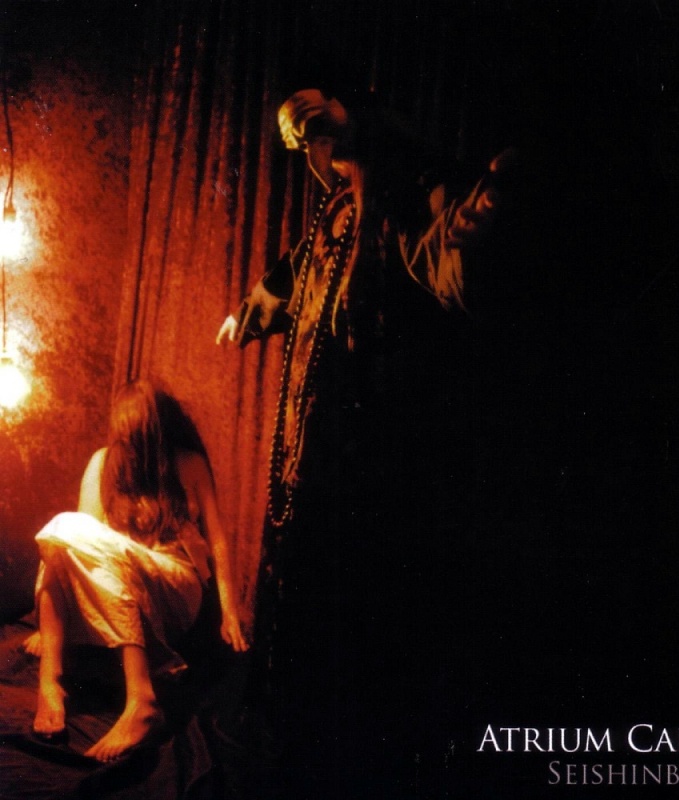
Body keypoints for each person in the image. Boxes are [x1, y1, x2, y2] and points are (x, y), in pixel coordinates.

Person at [215, 88, 510, 791]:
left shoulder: (404, 205)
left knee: (354, 622)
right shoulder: (339, 215)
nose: (312, 147)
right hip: (310, 453)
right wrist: (252, 312)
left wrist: (485, 213)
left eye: (318, 123)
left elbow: (449, 263)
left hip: (369, 468)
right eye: (303, 139)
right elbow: (295, 274)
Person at [29, 379, 248, 763]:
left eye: (139, 433)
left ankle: (141, 699)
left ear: (155, 428)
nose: (131, 443)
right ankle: (51, 681)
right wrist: (49, 629)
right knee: (60, 541)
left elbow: (217, 539)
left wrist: (229, 610)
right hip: (119, 593)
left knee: (64, 529)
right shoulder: (103, 462)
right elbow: (82, 548)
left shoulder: (188, 464)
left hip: (175, 585)